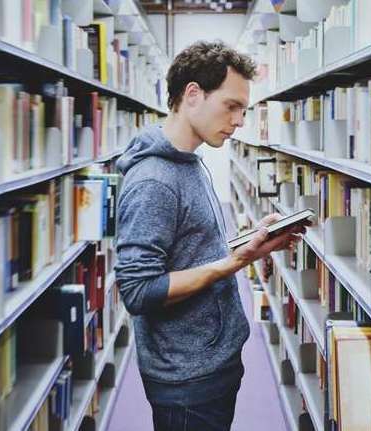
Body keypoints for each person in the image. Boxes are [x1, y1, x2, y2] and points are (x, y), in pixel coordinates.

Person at [114, 40, 304, 431]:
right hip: (186, 379)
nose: (238, 121)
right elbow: (137, 290)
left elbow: (191, 251)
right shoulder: (154, 180)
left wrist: (251, 246)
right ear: (193, 95)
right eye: (231, 106)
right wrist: (232, 263)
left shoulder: (190, 161)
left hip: (210, 361)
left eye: (243, 110)